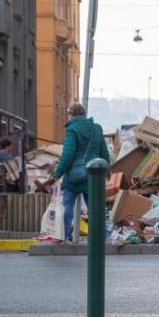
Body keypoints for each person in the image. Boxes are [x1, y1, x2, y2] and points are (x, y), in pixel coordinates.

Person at [51, 103, 109, 242]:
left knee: (67, 205)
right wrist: (105, 171)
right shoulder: (97, 129)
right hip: (93, 175)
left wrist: (57, 173)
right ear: (84, 114)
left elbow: (68, 155)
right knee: (95, 207)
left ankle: (63, 235)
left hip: (74, 176)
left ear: (71, 114)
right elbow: (104, 153)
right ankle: (102, 235)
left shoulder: (72, 130)